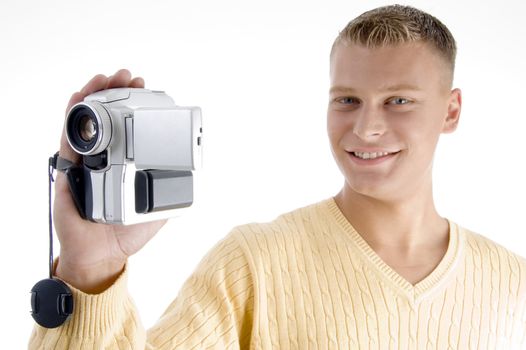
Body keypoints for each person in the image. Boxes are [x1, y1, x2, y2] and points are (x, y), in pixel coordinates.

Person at [29, 4, 526, 349]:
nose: (367, 127)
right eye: (347, 99)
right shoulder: (253, 264)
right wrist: (89, 269)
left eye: (399, 101)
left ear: (451, 110)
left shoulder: (513, 283)